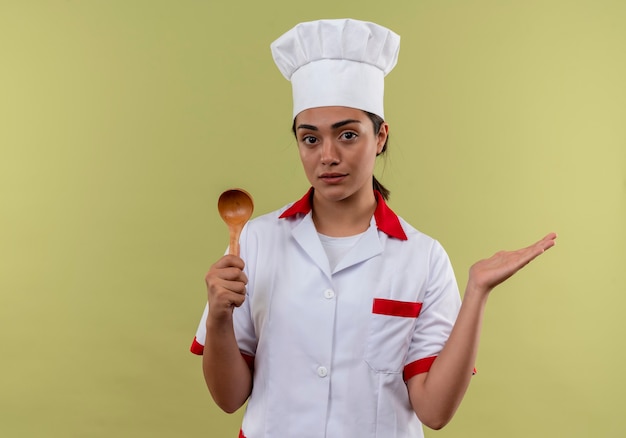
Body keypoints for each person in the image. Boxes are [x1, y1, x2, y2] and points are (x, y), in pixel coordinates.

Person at [190, 18, 557, 438]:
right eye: (310, 139)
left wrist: (477, 290)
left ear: (380, 136)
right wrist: (219, 316)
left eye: (347, 135)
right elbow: (228, 398)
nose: (327, 156)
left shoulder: (422, 257)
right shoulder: (254, 239)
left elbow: (434, 412)